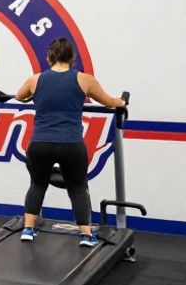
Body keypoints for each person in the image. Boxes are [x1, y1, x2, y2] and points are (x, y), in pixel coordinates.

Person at [13, 37, 125, 247]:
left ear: (49, 57)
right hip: (71, 144)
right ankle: (85, 235)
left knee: (37, 184)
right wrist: (122, 102)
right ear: (72, 58)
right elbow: (110, 102)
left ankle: (28, 229)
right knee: (77, 187)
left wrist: (34, 96)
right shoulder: (85, 80)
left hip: (40, 144)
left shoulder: (34, 80)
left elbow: (19, 97)